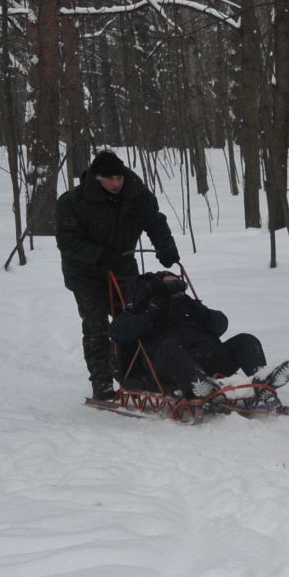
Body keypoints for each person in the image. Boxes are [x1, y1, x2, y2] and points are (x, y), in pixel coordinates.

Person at [56, 150, 180, 402]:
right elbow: (68, 242)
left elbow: (154, 221)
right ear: (96, 178)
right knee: (96, 328)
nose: (115, 183)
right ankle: (101, 382)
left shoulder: (136, 193)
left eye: (118, 177)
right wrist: (101, 256)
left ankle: (140, 373)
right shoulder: (72, 202)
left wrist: (165, 247)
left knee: (137, 320)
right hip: (86, 275)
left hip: (123, 269)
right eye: (109, 179)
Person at [108, 272, 289, 405]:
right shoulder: (145, 311)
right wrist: (151, 316)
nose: (175, 290)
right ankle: (201, 386)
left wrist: (198, 311)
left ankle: (261, 381)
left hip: (208, 358)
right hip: (168, 365)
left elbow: (221, 325)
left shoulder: (190, 307)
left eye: (178, 285)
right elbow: (117, 332)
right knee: (170, 346)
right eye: (170, 286)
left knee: (246, 339)